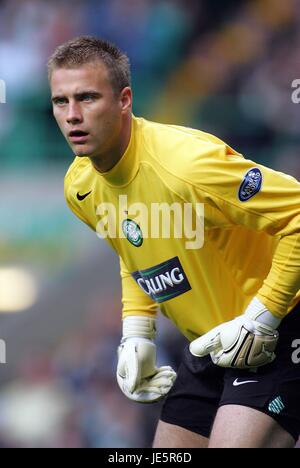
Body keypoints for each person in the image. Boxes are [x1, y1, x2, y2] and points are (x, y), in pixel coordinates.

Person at [48, 36, 300, 448]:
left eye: (88, 97)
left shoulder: (186, 165)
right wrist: (137, 331)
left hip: (283, 325)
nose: (73, 115)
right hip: (211, 343)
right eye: (61, 101)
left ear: (124, 99)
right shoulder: (80, 186)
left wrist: (264, 314)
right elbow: (133, 249)